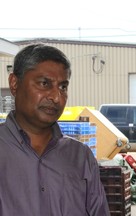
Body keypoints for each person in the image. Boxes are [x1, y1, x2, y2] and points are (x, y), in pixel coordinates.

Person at [0, 44, 110, 216]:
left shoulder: (81, 156)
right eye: (44, 83)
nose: (56, 97)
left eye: (63, 87)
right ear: (14, 83)